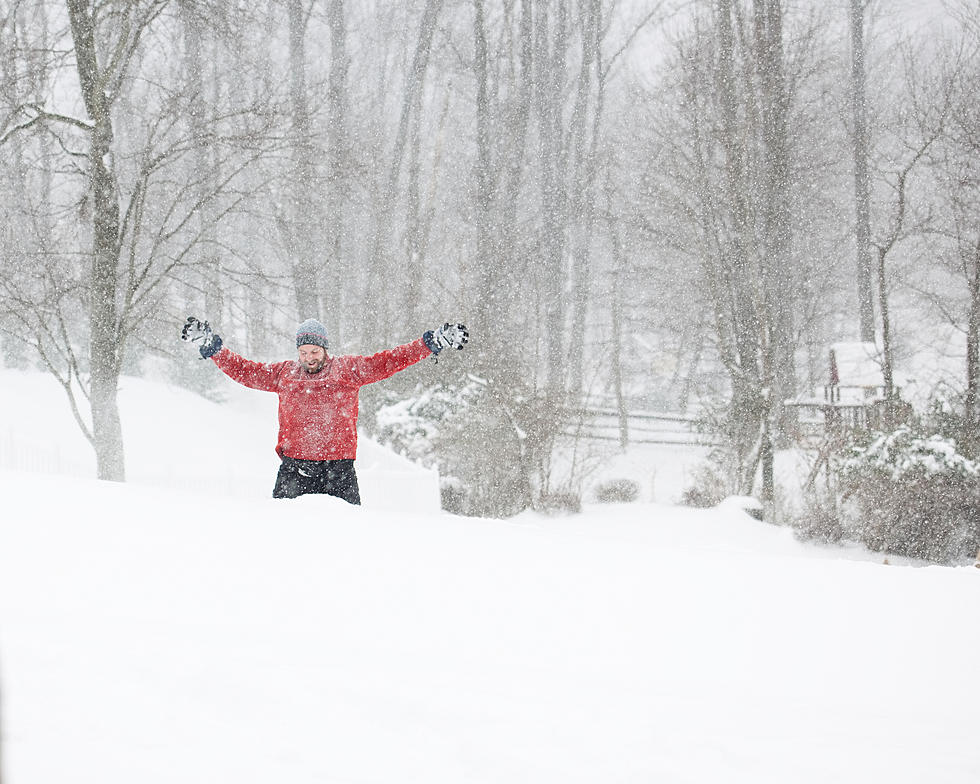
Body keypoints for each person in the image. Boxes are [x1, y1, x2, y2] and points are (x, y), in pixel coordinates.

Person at [180, 316, 468, 503]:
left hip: (338, 471)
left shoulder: (347, 370)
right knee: (283, 538)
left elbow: (389, 361)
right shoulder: (285, 374)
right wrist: (214, 349)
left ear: (325, 349)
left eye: (314, 352)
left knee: (346, 541)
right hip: (294, 469)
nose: (309, 358)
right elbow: (246, 371)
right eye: (304, 352)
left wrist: (430, 343)